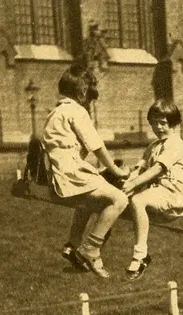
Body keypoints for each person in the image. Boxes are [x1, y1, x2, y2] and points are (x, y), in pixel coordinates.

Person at [42, 65, 129, 278]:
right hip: (71, 174)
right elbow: (96, 145)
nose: (89, 104)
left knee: (87, 201)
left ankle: (72, 244)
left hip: (57, 177)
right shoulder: (77, 111)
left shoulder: (55, 113)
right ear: (82, 93)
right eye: (89, 98)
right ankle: (91, 248)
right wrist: (116, 170)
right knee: (119, 200)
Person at [121, 100, 183, 281]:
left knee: (137, 200)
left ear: (173, 123)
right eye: (154, 123)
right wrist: (128, 181)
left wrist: (133, 184)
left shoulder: (176, 144)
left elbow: (158, 169)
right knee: (117, 198)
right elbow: (140, 168)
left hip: (173, 196)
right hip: (157, 194)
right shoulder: (153, 146)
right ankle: (97, 241)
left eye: (163, 123)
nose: (158, 127)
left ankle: (140, 256)